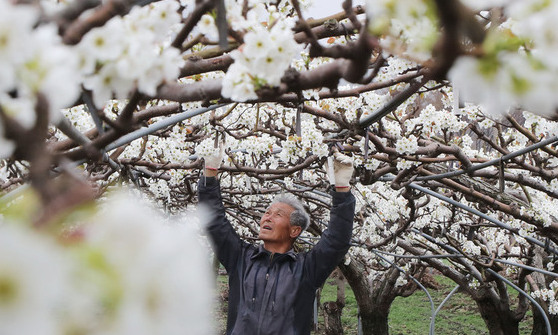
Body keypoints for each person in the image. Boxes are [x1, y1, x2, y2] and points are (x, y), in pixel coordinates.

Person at [198, 142, 355, 335]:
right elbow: (214, 222)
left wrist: (341, 190)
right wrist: (210, 172)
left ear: (294, 231)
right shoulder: (241, 258)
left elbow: (336, 241)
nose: (267, 217)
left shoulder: (306, 269)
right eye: (267, 212)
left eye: (278, 214)